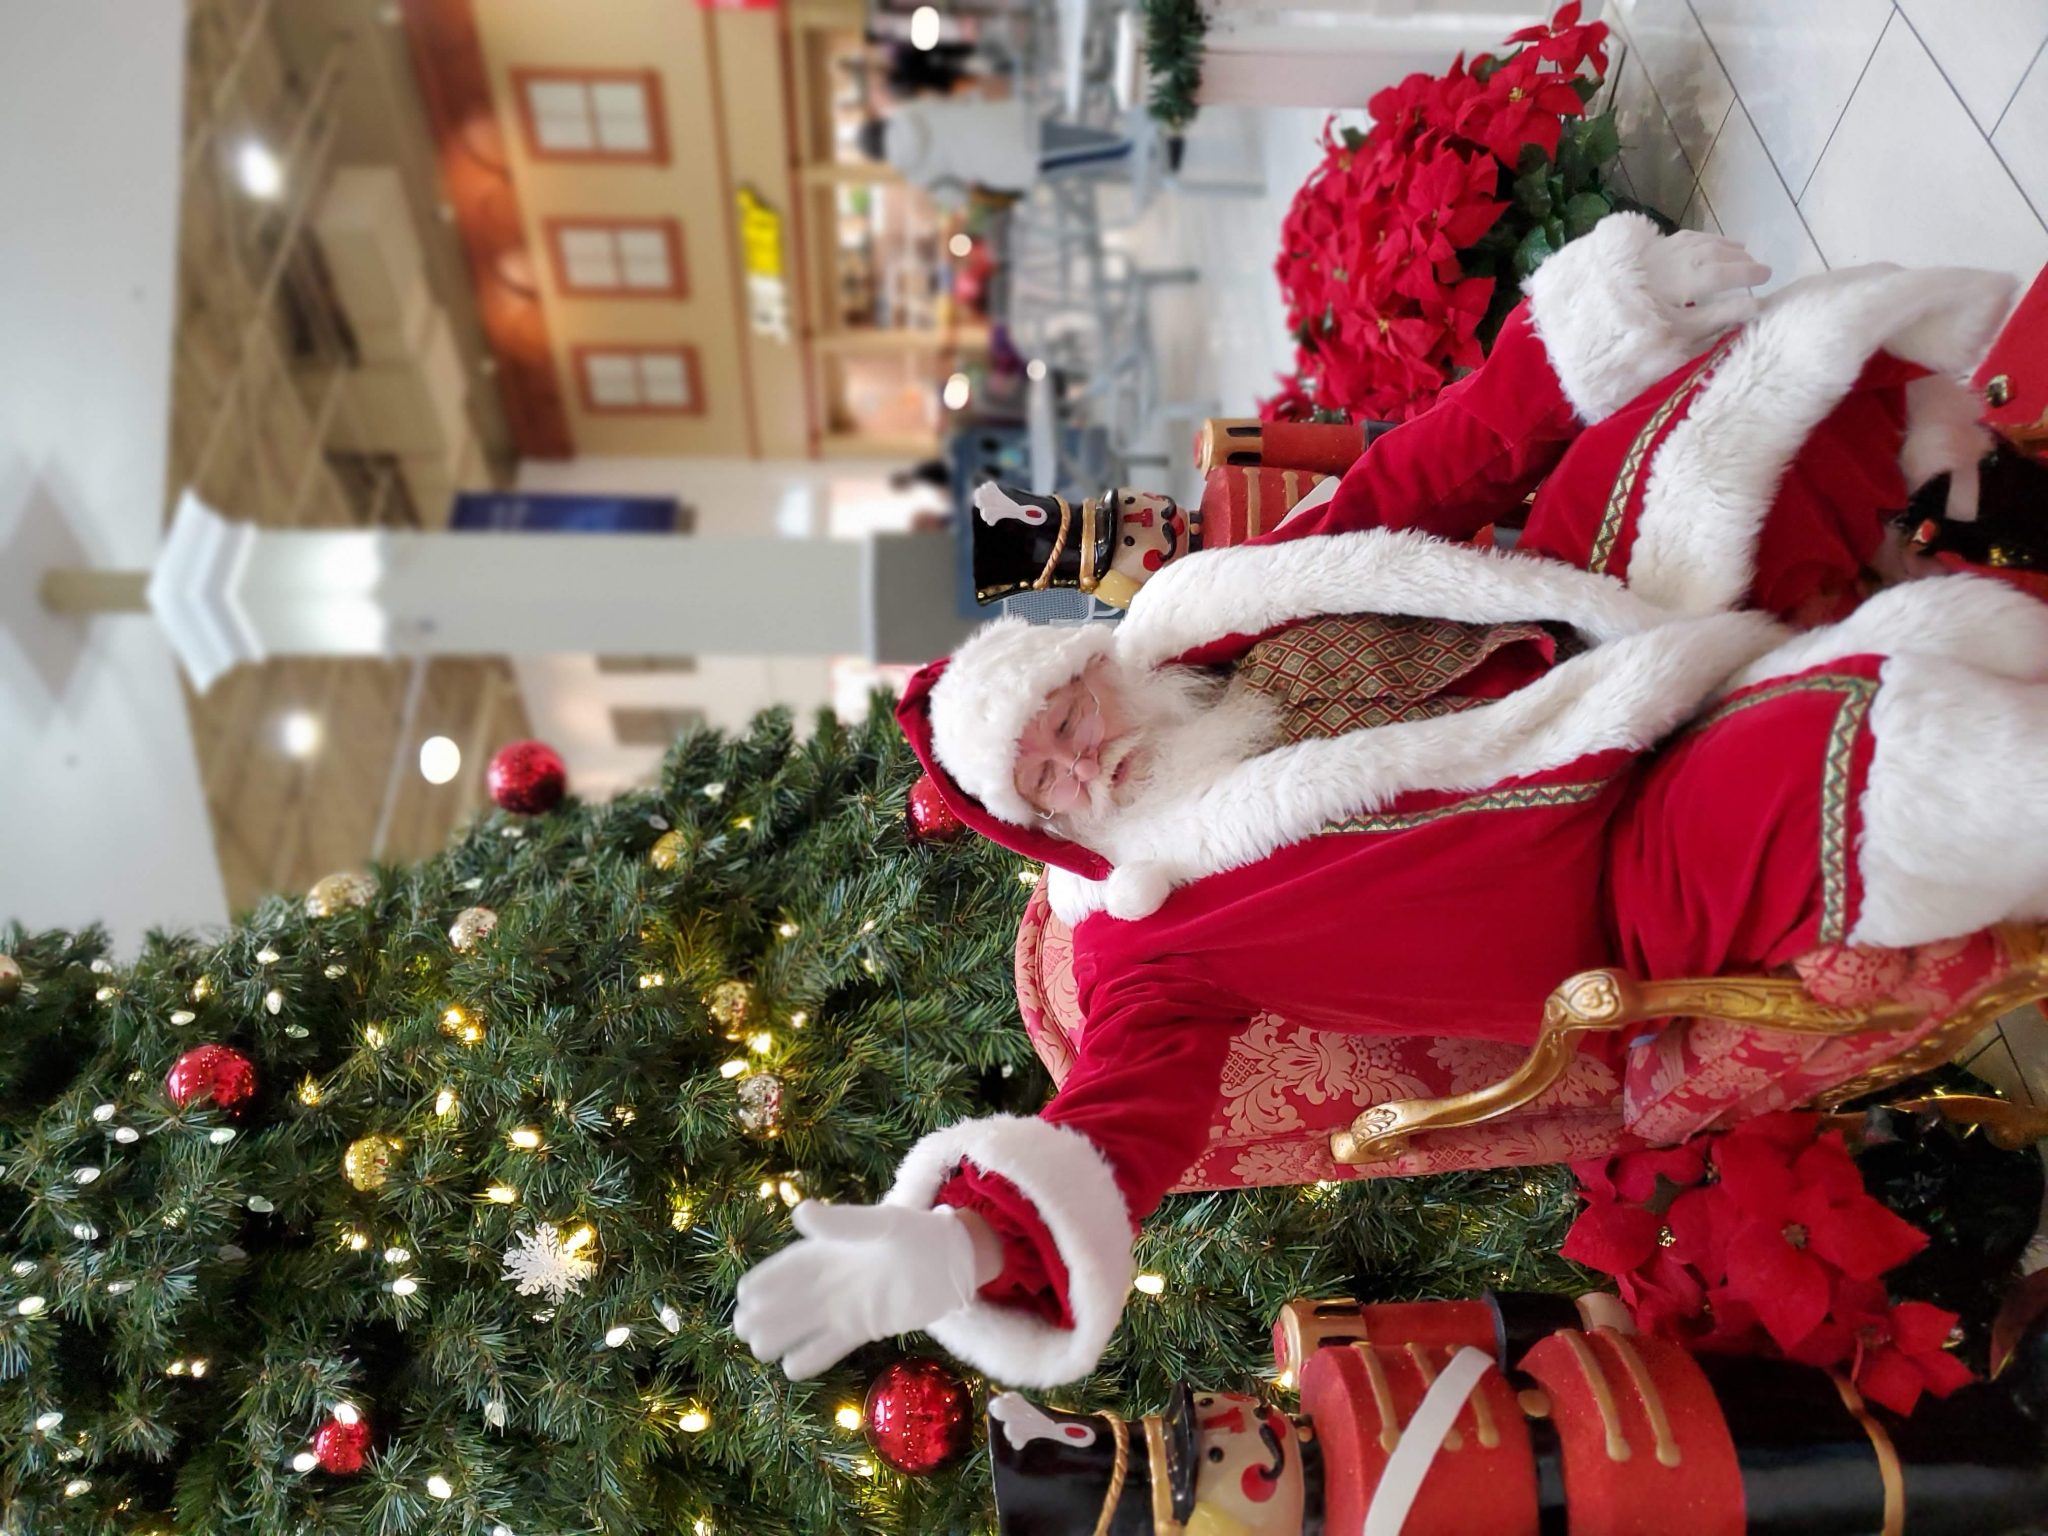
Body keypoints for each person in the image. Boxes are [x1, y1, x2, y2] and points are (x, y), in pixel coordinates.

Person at [735, 217, 2037, 1390]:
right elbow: (1119, 1127)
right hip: (1619, 870)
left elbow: (1407, 486)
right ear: (1041, 829)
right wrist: (967, 1244)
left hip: (1589, 627)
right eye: (1045, 786)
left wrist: (1576, 340)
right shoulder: (1143, 935)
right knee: (1879, 760)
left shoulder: (1194, 621)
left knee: (1748, 400)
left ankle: (1985, 485)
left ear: (1093, 672)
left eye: (1067, 725)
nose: (1083, 768)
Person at [856, 99, 1131, 203]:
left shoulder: (914, 174)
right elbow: (948, 105)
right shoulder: (907, 113)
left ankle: (1134, 170)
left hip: (1003, 163)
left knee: (1074, 168)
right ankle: (1136, 148)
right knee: (1072, 137)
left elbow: (957, 197)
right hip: (1000, 122)